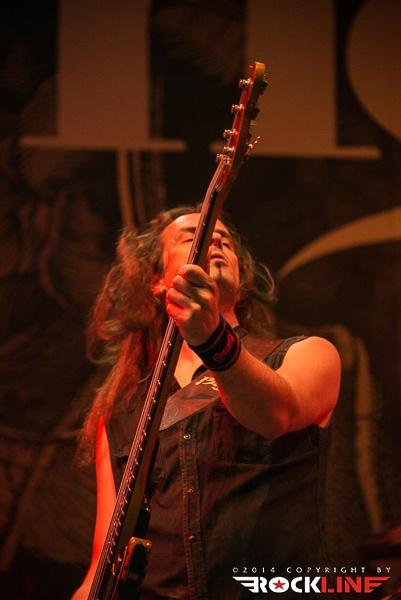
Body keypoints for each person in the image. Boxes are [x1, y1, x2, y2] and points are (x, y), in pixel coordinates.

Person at [73, 205, 341, 599]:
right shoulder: (121, 410)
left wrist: (212, 339)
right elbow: (104, 562)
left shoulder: (306, 355)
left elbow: (277, 414)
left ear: (241, 283)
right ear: (156, 281)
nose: (215, 239)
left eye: (226, 240)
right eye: (192, 235)